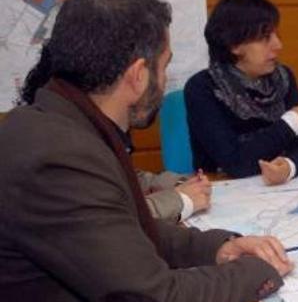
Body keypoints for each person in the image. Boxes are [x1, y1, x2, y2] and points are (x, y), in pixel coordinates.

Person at [0, 0, 293, 302]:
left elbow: (122, 230)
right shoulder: (59, 156)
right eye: (165, 64)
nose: (165, 78)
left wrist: (218, 248)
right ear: (138, 75)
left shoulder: (63, 125)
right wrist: (259, 272)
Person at [17, 49, 212, 222]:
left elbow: (120, 176)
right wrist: (180, 200)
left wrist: (176, 183)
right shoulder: (56, 148)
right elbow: (107, 221)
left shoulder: (79, 129)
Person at [184, 0, 298, 185]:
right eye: (265, 38)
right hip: (224, 192)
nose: (278, 45)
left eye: (276, 35)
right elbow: (235, 162)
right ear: (234, 45)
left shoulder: (284, 77)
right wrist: (292, 122)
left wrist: (289, 166)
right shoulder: (202, 88)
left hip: (280, 191)